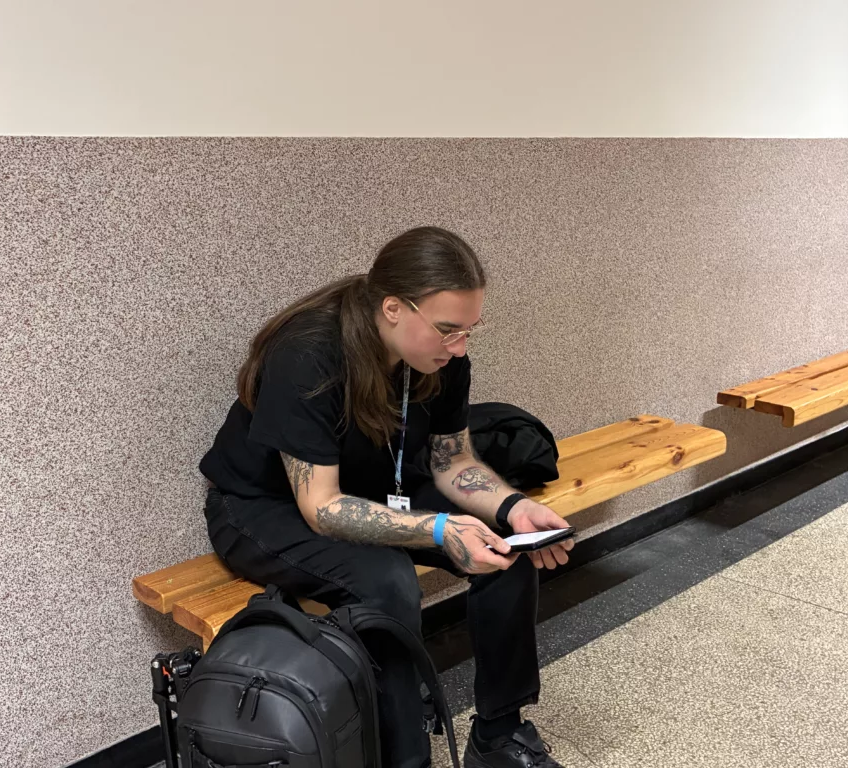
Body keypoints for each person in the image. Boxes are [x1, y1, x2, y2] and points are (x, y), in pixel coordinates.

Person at [200, 226, 573, 768]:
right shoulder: (309, 353)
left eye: (470, 330)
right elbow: (322, 506)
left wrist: (515, 508)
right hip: (262, 507)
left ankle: (498, 734)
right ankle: (406, 760)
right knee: (386, 582)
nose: (460, 347)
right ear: (394, 308)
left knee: (505, 549)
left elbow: (452, 462)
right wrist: (440, 530)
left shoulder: (442, 359)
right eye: (447, 330)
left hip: (376, 487)